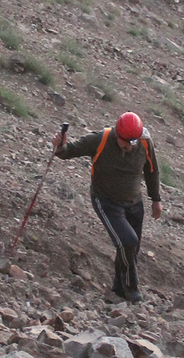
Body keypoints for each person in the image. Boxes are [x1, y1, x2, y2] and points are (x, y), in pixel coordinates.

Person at [52, 112, 161, 303]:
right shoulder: (100, 139)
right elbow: (69, 151)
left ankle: (118, 290)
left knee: (129, 249)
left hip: (135, 203)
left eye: (132, 142)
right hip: (107, 202)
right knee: (127, 241)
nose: (128, 146)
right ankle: (132, 290)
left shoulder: (144, 142)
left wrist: (155, 199)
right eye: (125, 142)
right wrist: (60, 147)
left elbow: (151, 170)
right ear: (117, 135)